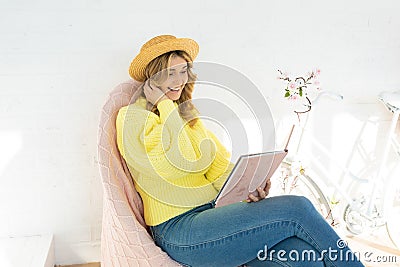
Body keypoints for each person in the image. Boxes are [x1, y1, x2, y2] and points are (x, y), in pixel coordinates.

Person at [116, 34, 364, 267]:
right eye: (171, 72)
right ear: (153, 77)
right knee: (297, 208)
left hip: (216, 216)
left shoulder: (188, 118)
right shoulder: (132, 118)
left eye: (183, 71)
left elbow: (217, 168)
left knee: (302, 255)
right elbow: (175, 164)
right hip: (180, 230)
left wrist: (248, 187)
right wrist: (166, 107)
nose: (180, 80)